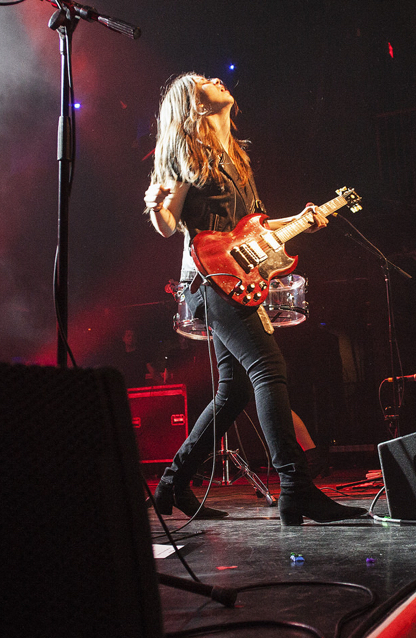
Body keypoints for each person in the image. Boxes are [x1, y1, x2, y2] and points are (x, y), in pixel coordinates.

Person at [143, 72, 365, 524]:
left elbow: (251, 227)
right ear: (194, 104)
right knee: (269, 368)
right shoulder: (187, 154)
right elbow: (169, 224)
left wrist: (302, 218)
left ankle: (172, 484)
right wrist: (154, 202)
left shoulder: (236, 158)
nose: (217, 80)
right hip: (208, 281)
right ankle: (296, 488)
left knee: (234, 390)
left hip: (235, 279)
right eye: (204, 81)